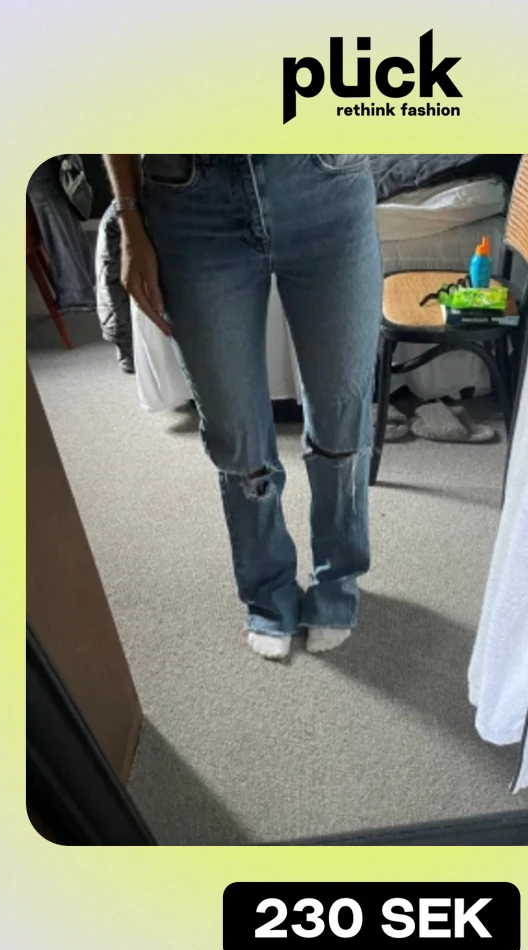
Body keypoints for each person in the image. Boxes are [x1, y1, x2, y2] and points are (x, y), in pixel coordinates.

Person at [103, 155, 382, 660]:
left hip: (323, 178)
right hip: (190, 195)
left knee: (342, 413)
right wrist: (128, 219)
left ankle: (337, 583)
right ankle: (269, 592)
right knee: (235, 432)